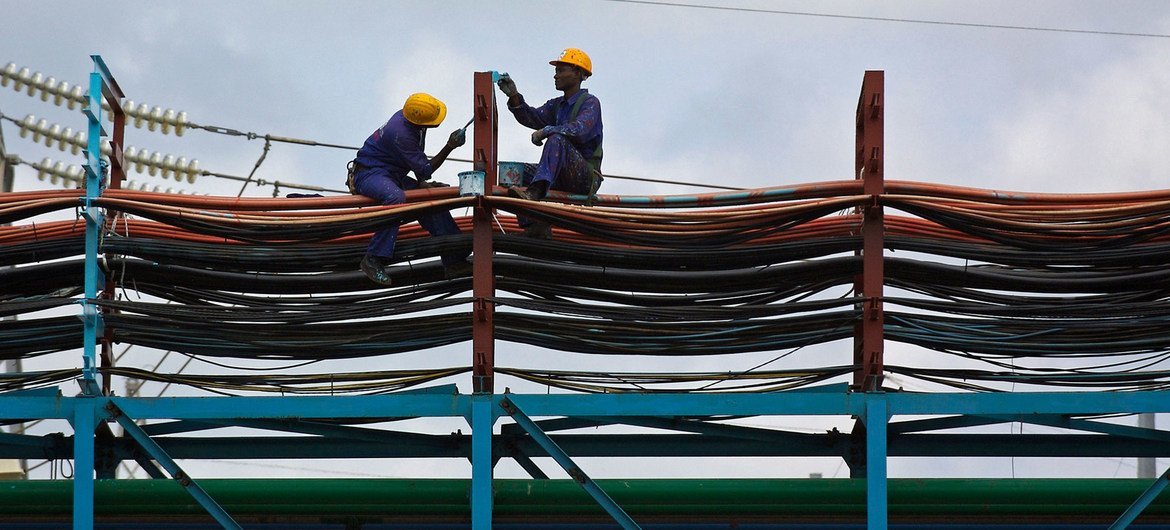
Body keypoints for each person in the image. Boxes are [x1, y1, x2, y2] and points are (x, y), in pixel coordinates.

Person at [352, 92, 471, 285]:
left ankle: (454, 259)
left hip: (391, 175)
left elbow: (415, 160)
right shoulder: (400, 133)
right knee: (395, 198)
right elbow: (425, 168)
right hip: (369, 174)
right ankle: (373, 258)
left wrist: (422, 185)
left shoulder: (409, 118)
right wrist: (449, 146)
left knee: (430, 200)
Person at [497, 47, 604, 239]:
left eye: (561, 71)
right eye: (556, 71)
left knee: (557, 140)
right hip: (560, 174)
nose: (556, 76)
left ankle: (534, 193)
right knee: (510, 173)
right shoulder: (556, 105)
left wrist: (547, 131)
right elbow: (531, 118)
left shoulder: (590, 103)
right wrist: (514, 96)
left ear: (578, 73)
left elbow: (579, 130)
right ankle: (535, 224)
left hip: (584, 176)